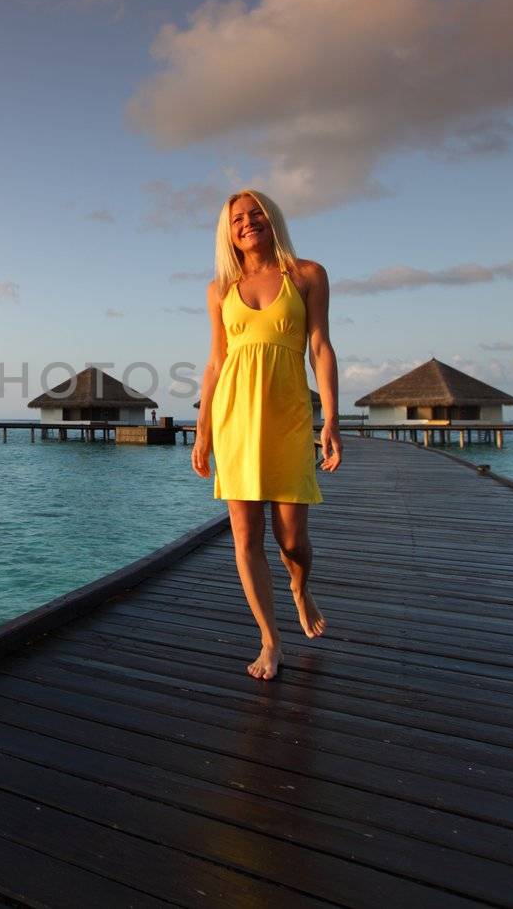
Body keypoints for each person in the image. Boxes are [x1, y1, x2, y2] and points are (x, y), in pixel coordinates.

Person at [191, 189, 342, 680]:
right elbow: (216, 362)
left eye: (256, 214)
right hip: (235, 416)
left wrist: (332, 419)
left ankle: (301, 586)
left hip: (289, 415)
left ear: (272, 218)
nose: (247, 223)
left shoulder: (307, 275)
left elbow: (319, 346)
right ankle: (269, 641)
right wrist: (202, 432)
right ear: (227, 230)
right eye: (237, 219)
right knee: (244, 533)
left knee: (292, 536)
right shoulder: (220, 290)